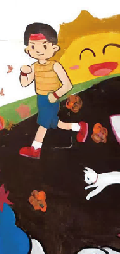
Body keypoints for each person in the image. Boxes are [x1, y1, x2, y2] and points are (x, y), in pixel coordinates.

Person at [19, 22, 88, 159]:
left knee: (43, 125)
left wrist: (55, 95)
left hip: (51, 99)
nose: (38, 50)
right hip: (41, 99)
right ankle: (80, 127)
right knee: (56, 124)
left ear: (54, 48)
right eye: (33, 46)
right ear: (28, 50)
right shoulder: (34, 67)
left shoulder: (55, 66)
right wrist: (23, 73)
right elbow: (25, 83)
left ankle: (35, 149)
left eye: (44, 46)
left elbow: (67, 85)